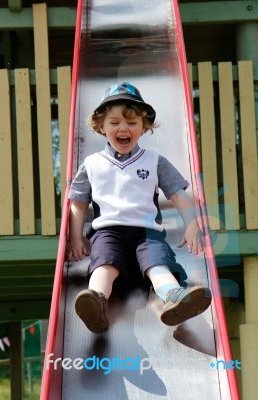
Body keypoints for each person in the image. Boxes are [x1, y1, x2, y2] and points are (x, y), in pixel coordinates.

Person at [67, 82, 212, 333]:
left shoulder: (155, 162)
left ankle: (173, 297)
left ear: (144, 128)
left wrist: (192, 225)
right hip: (108, 231)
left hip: (147, 233)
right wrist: (75, 237)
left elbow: (180, 196)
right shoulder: (91, 164)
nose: (123, 128)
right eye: (114, 123)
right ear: (101, 127)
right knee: (105, 265)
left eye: (132, 123)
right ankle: (96, 302)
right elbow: (78, 204)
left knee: (157, 264)